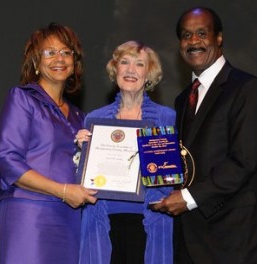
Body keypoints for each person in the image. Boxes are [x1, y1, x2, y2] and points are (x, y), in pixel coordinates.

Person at [150, 6, 257, 264]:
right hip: (190, 237)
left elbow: (244, 161)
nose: (194, 41)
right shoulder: (182, 99)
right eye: (186, 35)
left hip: (234, 238)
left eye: (202, 33)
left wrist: (187, 198)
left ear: (218, 38)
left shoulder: (246, 88)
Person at [0, 22, 97, 264]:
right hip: (30, 216)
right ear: (35, 62)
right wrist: (62, 191)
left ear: (75, 62)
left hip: (70, 219)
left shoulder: (80, 117)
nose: (58, 58)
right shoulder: (22, 99)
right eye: (49, 52)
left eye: (66, 52)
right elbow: (7, 161)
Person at [75, 40, 176, 264]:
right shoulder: (94, 120)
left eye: (140, 64)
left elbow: (168, 181)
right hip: (103, 221)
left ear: (149, 74)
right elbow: (83, 182)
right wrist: (81, 154)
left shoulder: (165, 118)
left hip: (148, 222)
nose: (131, 70)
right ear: (115, 69)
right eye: (125, 62)